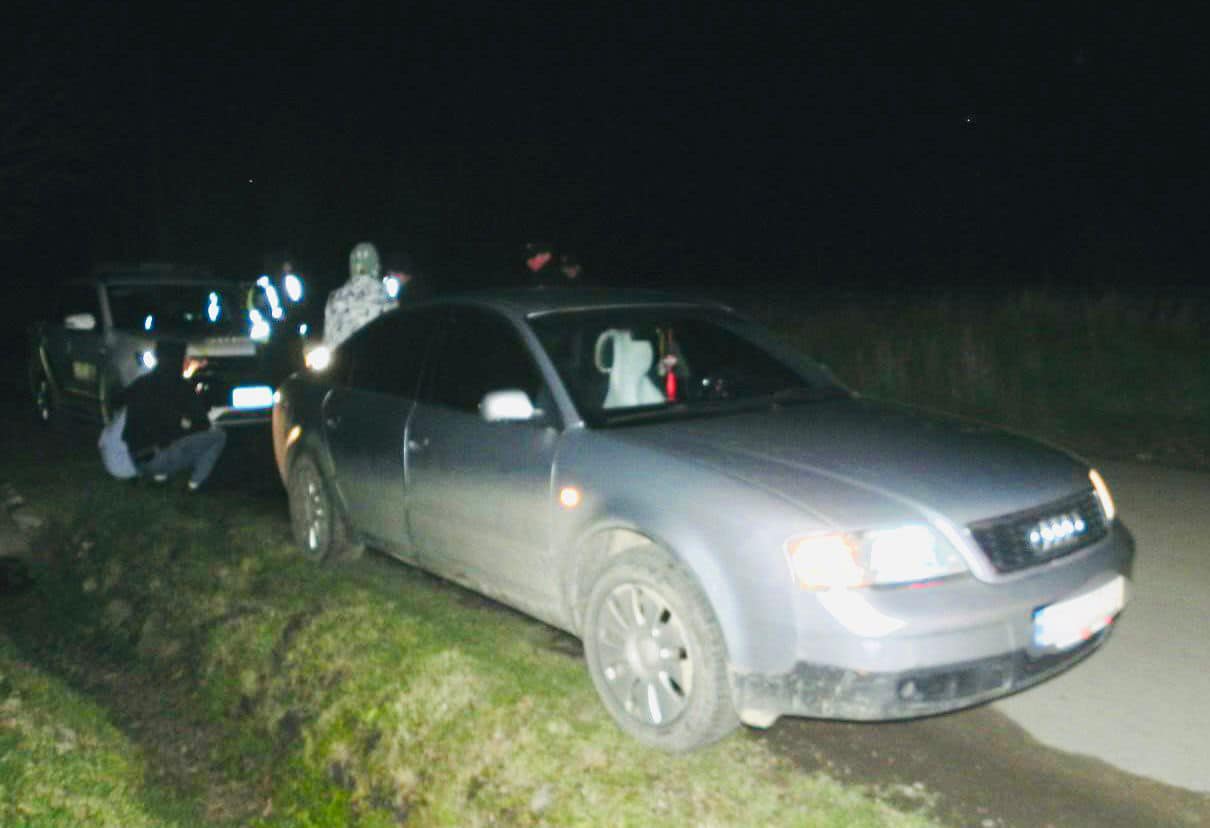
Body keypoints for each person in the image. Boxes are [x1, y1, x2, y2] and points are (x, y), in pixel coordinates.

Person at [103, 339, 227, 491]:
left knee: (166, 438)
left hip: (136, 459)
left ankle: (159, 478)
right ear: (179, 359)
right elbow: (202, 424)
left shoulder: (141, 382)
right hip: (160, 456)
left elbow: (117, 400)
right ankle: (194, 485)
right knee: (218, 436)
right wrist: (187, 423)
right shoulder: (181, 386)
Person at [323, 241, 397, 348]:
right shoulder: (387, 299)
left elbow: (329, 341)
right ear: (376, 265)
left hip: (344, 357)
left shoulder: (334, 298)